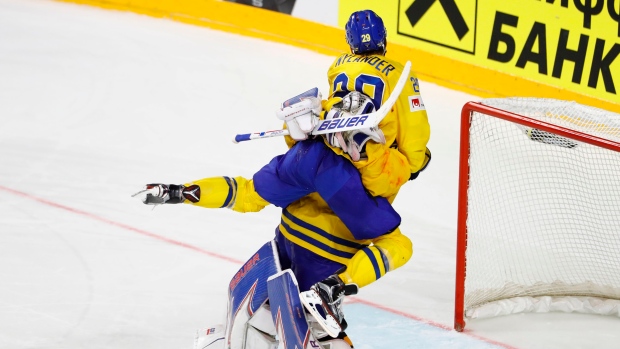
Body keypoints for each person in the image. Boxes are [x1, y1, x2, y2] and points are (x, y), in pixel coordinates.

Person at [281, 9, 431, 201]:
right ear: (383, 37)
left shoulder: (338, 65)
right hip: (375, 161)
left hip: (336, 153)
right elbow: (414, 127)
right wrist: (413, 164)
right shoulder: (399, 74)